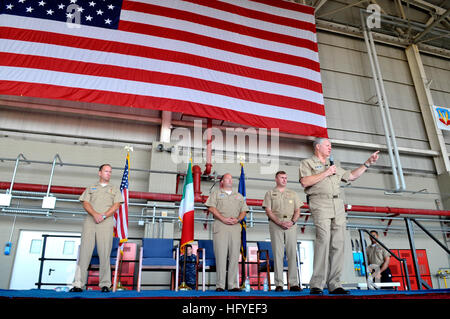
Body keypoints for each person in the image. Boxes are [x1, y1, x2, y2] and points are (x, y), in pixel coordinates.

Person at [299, 138, 379, 295]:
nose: (330, 148)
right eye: (327, 145)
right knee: (323, 240)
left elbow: (351, 176)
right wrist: (326, 173)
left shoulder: (333, 165)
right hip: (320, 202)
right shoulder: (307, 163)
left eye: (330, 146)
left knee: (339, 243)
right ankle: (317, 283)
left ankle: (335, 283)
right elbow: (305, 182)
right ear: (318, 147)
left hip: (337, 204)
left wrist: (367, 163)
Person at [70, 164, 124, 292]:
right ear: (99, 173)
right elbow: (85, 202)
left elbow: (116, 205)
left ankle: (105, 284)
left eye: (110, 172)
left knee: (105, 253)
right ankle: (78, 284)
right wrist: (95, 214)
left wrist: (104, 215)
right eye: (106, 171)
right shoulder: (91, 188)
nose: (108, 174)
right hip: (90, 221)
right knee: (84, 253)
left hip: (106, 222)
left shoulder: (114, 189)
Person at [205, 173, 249, 292]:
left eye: (231, 178)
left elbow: (244, 210)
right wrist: (223, 218)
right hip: (221, 225)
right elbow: (211, 207)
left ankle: (233, 285)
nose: (230, 180)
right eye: (227, 179)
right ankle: (220, 285)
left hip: (235, 226)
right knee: (221, 256)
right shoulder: (216, 193)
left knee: (234, 255)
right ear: (222, 182)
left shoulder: (239, 196)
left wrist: (238, 219)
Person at [263, 171, 301, 291]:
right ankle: (279, 284)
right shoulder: (270, 193)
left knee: (291, 253)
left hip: (291, 225)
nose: (284, 180)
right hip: (276, 225)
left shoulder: (293, 194)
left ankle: (294, 283)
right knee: (278, 254)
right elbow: (268, 210)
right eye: (282, 177)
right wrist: (279, 222)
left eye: (286, 178)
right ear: (276, 179)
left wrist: (293, 222)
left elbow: (297, 210)